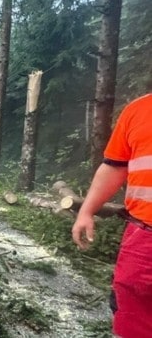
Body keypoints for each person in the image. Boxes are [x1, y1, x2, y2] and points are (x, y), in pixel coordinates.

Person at [71, 93, 152, 338]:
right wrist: (86, 210)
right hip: (143, 239)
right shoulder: (138, 110)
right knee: (131, 315)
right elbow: (114, 166)